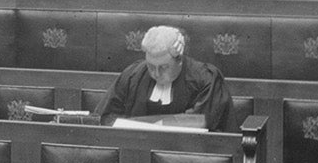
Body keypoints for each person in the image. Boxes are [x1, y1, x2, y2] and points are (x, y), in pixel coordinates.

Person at [97, 24, 232, 131]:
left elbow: (201, 121)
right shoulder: (133, 75)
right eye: (150, 66)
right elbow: (106, 116)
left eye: (163, 67)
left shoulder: (205, 79)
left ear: (179, 61)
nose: (156, 73)